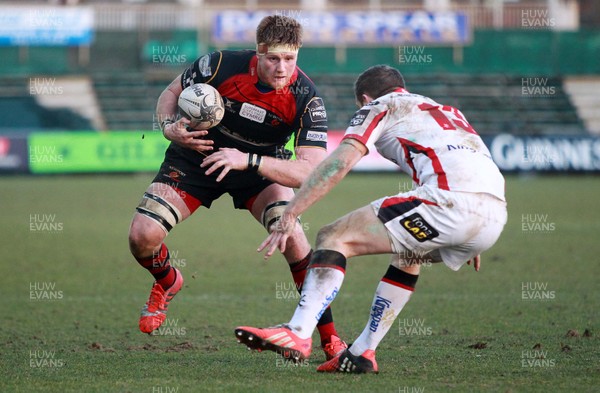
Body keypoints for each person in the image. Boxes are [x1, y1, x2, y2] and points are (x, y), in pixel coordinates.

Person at [234, 65, 507, 373]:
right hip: (492, 216)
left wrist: (292, 211)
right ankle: (362, 352)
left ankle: (298, 332)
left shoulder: (379, 106)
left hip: (450, 203)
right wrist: (472, 228)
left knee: (332, 236)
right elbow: (471, 162)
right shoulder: (447, 111)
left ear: (363, 99)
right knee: (409, 252)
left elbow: (338, 163)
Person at [128, 14, 347, 360]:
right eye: (273, 58)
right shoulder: (218, 66)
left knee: (292, 237)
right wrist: (170, 127)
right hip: (195, 157)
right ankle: (168, 280)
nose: (281, 68)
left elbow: (309, 172)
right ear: (258, 53)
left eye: (289, 59)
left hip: (260, 169)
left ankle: (330, 339)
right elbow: (171, 93)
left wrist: (249, 160)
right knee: (142, 237)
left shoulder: (307, 98)